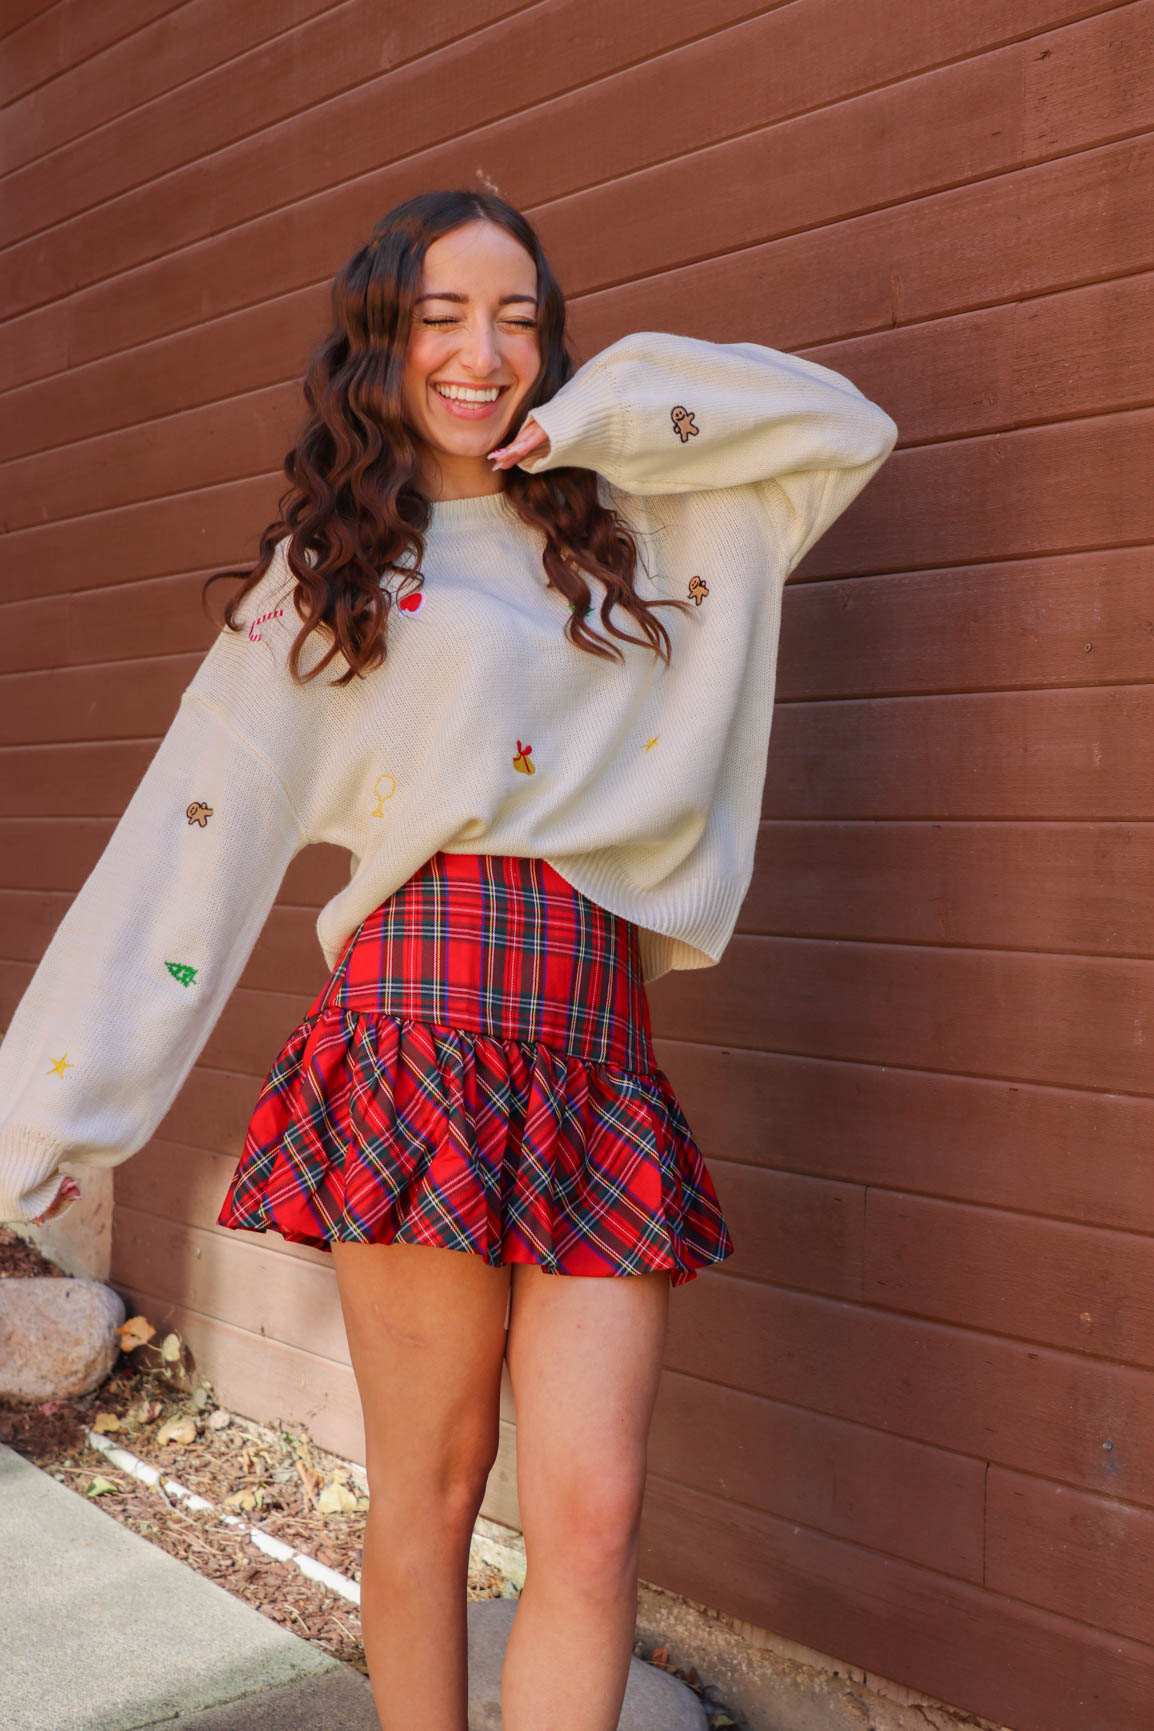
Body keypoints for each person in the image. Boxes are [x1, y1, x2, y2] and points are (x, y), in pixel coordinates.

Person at [0, 189, 897, 1730]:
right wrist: (31, 1147)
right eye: (438, 318)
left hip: (598, 1051)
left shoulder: (643, 520)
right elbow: (182, 854)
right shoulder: (331, 577)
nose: (481, 352)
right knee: (429, 1491)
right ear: (379, 346)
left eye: (517, 318)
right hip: (418, 1035)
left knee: (596, 1517)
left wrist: (599, 409)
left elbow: (841, 428)